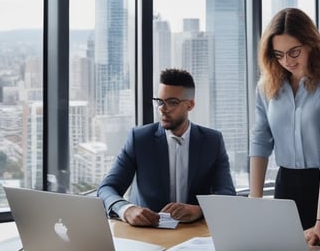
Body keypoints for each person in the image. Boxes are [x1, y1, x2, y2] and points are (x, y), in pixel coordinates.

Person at [249, 7, 320, 248]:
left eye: (294, 51)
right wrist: (253, 204)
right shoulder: (266, 88)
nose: (287, 61)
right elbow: (260, 142)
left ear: (310, 44)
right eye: (279, 54)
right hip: (286, 187)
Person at [97, 68, 236, 226]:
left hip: (193, 233)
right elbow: (107, 188)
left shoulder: (212, 141)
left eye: (172, 103)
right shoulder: (139, 139)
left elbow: (227, 193)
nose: (163, 109)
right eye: (160, 101)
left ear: (190, 105)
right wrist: (126, 209)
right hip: (146, 233)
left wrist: (199, 210)